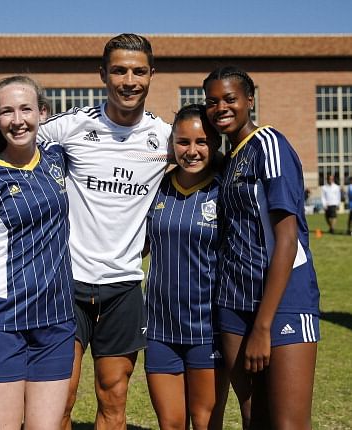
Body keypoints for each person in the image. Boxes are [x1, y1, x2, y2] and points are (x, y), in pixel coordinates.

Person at [37, 33, 172, 429]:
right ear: (102, 75)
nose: (129, 80)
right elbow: (8, 143)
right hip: (67, 283)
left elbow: (206, 164)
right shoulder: (71, 126)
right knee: (59, 398)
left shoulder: (165, 138)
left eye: (138, 71)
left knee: (114, 399)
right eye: (119, 71)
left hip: (124, 286)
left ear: (151, 76)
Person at [0, 75, 75, 430]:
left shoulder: (57, 160)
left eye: (25, 109)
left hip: (55, 323)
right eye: (6, 111)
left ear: (43, 113)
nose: (17, 119)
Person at [203, 66, 320, 430]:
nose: (220, 107)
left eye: (229, 99)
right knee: (254, 417)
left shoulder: (269, 145)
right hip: (235, 304)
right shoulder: (229, 159)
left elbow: (286, 238)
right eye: (212, 102)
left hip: (283, 302)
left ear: (249, 100)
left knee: (288, 423)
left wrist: (263, 327)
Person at [144, 104, 228, 430]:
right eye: (183, 142)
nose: (191, 151)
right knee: (171, 424)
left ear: (215, 144)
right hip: (160, 328)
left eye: (201, 142)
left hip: (208, 328)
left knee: (206, 423)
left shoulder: (225, 191)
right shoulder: (157, 187)